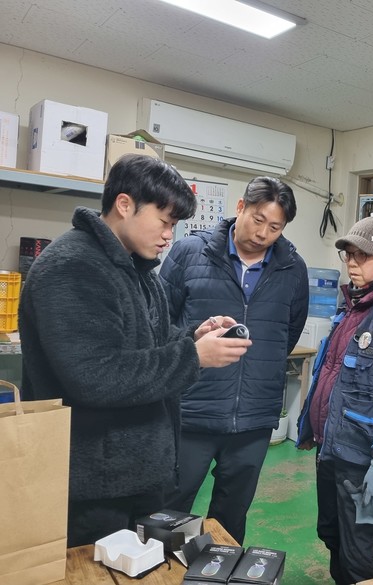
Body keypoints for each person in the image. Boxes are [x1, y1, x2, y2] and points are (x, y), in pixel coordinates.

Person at [18, 154, 251, 547]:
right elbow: (96, 376)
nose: (169, 236)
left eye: (174, 225)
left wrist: (192, 337)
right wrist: (194, 357)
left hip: (136, 476)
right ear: (124, 205)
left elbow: (148, 345)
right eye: (164, 221)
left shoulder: (138, 270)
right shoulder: (73, 267)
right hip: (91, 487)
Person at [160, 176, 308, 544]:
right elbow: (161, 323)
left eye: (275, 227)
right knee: (169, 509)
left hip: (254, 419)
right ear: (240, 207)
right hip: (192, 410)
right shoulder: (189, 253)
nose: (263, 234)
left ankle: (219, 569)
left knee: (230, 516)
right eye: (258, 220)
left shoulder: (293, 268)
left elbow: (288, 333)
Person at [297, 216, 373, 585]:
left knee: (362, 552)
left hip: (365, 461)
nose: (352, 263)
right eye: (349, 255)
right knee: (332, 535)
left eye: (362, 255)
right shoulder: (353, 305)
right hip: (331, 449)